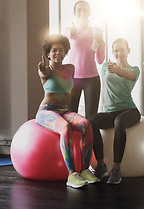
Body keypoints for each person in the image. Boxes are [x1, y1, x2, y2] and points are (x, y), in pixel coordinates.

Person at [35, 34, 99, 189]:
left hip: (64, 111)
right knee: (65, 128)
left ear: (65, 52)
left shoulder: (70, 68)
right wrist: (43, 70)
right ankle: (71, 174)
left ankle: (84, 170)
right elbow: (45, 74)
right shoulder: (46, 70)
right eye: (54, 50)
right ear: (48, 54)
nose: (58, 53)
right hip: (46, 111)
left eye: (61, 50)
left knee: (85, 124)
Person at [89, 38, 141, 184]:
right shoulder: (105, 66)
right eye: (116, 50)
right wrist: (104, 109)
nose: (119, 53)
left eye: (122, 50)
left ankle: (116, 169)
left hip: (129, 110)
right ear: (112, 52)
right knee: (92, 121)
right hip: (111, 111)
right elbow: (105, 89)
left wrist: (116, 69)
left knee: (119, 122)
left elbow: (128, 75)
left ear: (128, 50)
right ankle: (101, 166)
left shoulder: (134, 70)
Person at [64, 0, 105, 119]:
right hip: (73, 79)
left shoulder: (95, 32)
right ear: (75, 13)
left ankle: (90, 138)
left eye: (85, 10)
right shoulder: (69, 30)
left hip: (92, 79)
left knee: (92, 118)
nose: (82, 12)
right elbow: (61, 48)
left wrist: (101, 42)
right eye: (79, 10)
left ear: (89, 12)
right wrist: (69, 33)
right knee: (70, 116)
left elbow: (100, 60)